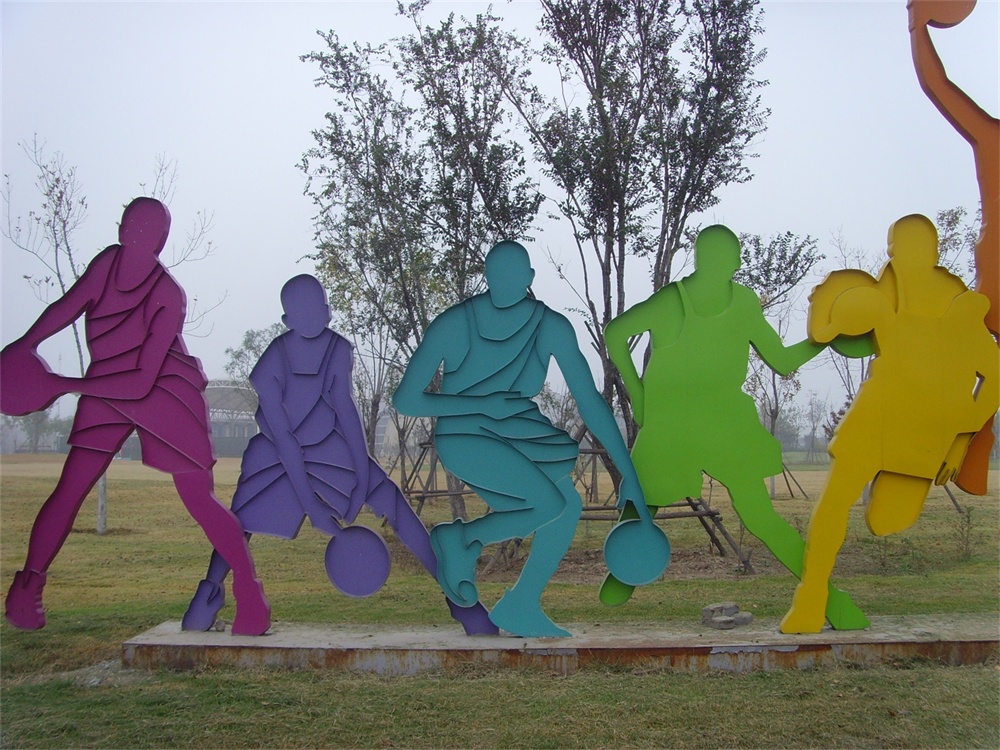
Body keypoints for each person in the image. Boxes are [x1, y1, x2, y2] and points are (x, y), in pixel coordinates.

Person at [2, 197, 270, 635]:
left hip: (164, 388)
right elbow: (66, 307)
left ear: (160, 243)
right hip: (106, 384)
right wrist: (25, 344)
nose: (135, 236)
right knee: (70, 488)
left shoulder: (167, 295)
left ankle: (248, 590)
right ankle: (27, 585)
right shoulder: (107, 263)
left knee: (198, 498)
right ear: (122, 229)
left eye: (147, 232)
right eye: (130, 226)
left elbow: (142, 382)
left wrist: (63, 384)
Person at [182, 275, 496, 635]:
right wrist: (313, 507)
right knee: (240, 521)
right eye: (307, 310)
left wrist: (363, 474)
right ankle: (208, 595)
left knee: (391, 499)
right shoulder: (272, 362)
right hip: (276, 455)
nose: (321, 315)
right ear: (287, 320)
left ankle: (460, 600)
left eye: (323, 307)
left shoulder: (337, 349)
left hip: (329, 449)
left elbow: (346, 411)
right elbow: (284, 440)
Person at [601, 225, 869, 631]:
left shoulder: (742, 303)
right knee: (640, 503)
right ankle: (623, 577)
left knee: (759, 517)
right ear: (705, 259)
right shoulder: (673, 301)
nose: (729, 265)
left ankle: (826, 598)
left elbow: (781, 360)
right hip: (671, 422)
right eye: (723, 257)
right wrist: (639, 397)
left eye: (731, 259)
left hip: (723, 422)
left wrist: (827, 338)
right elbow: (616, 333)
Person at [392, 241, 645, 637]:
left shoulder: (550, 326)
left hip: (520, 433)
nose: (507, 283)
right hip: (466, 436)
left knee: (568, 505)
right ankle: (461, 537)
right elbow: (406, 399)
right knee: (550, 503)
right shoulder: (455, 323)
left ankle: (522, 604)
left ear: (529, 278)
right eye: (498, 275)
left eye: (515, 276)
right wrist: (479, 406)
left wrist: (628, 471)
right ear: (486, 276)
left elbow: (590, 401)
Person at [780, 214, 998, 633]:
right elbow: (827, 328)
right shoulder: (882, 295)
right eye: (896, 249)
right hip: (876, 414)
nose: (900, 258)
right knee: (836, 498)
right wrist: (828, 312)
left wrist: (960, 437)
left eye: (910, 248)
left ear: (932, 252)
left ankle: (817, 589)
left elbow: (994, 375)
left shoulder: (958, 306)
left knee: (887, 521)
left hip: (922, 430)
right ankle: (811, 596)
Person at [908, 0, 999, 494]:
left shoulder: (990, 138)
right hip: (992, 292)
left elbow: (938, 85)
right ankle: (969, 445)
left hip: (992, 291)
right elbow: (937, 85)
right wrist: (917, 25)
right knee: (970, 364)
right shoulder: (991, 137)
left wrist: (917, 25)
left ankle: (971, 445)